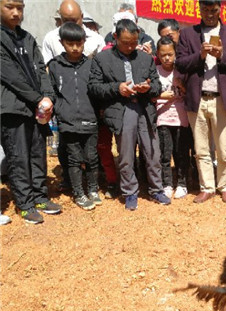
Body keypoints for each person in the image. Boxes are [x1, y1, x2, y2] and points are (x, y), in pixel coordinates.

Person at [89, 19, 170, 211]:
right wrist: (117, 88)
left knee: (152, 152)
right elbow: (94, 87)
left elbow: (157, 85)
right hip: (121, 109)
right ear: (115, 37)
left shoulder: (145, 58)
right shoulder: (102, 59)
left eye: (134, 42)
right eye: (126, 43)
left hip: (144, 109)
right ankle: (130, 191)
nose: (131, 46)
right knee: (126, 155)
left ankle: (156, 189)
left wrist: (148, 88)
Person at [175, 0, 226, 204]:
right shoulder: (188, 34)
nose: (210, 14)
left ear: (220, 9)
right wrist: (200, 55)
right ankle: (207, 187)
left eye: (213, 10)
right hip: (197, 99)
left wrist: (222, 55)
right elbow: (181, 63)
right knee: (201, 148)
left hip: (223, 100)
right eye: (205, 10)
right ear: (199, 9)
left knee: (224, 148)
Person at [1, 0, 62, 224]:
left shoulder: (27, 37)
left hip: (36, 107)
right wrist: (38, 98)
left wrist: (48, 97)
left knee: (38, 153)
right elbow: (10, 76)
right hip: (13, 107)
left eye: (20, 8)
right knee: (18, 156)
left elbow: (41, 69)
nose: (16, 12)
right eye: (9, 7)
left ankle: (40, 196)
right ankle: (25, 203)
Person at [48, 22, 100, 211]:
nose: (75, 48)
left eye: (79, 43)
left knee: (91, 156)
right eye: (70, 44)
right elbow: (52, 92)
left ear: (84, 42)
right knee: (74, 158)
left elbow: (97, 90)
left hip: (90, 118)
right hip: (67, 122)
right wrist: (59, 110)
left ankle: (93, 189)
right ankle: (79, 193)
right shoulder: (55, 66)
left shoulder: (92, 64)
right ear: (62, 42)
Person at [156, 36, 193, 200]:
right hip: (162, 118)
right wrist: (161, 95)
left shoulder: (181, 71)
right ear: (158, 54)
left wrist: (181, 86)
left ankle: (182, 184)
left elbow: (190, 93)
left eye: (170, 54)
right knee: (165, 154)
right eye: (163, 55)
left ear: (175, 54)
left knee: (181, 153)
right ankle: (167, 184)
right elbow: (150, 94)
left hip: (181, 118)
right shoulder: (155, 71)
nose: (166, 58)